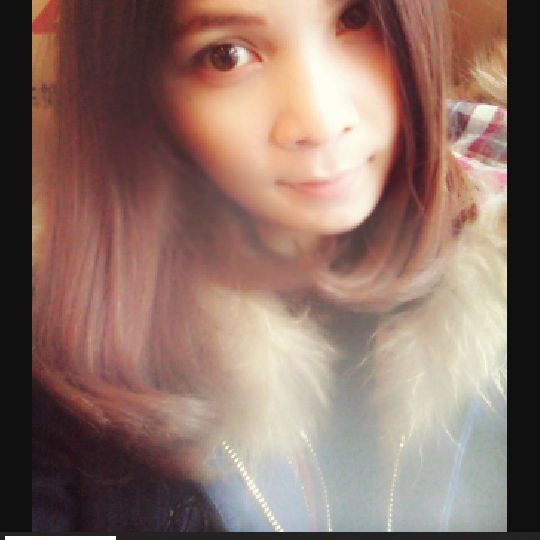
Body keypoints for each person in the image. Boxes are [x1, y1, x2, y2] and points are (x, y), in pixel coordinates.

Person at [32, 0, 507, 532]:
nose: (321, 122)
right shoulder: (60, 366)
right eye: (226, 56)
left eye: (356, 19)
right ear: (138, 93)